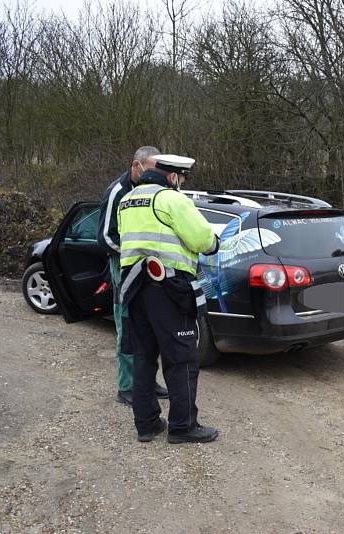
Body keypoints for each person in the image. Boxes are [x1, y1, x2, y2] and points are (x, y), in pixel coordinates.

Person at [117, 154, 220, 443]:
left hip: (135, 287)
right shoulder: (171, 200)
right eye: (182, 179)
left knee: (143, 356)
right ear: (173, 177)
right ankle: (183, 426)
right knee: (182, 359)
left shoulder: (128, 200)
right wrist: (214, 243)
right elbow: (202, 239)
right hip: (169, 287)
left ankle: (147, 423)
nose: (181, 183)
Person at [97, 146, 169, 405]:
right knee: (127, 326)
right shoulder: (117, 192)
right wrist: (134, 255)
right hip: (125, 267)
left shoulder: (156, 192)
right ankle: (126, 386)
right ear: (136, 166)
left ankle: (148, 379)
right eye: (151, 170)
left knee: (149, 326)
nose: (155, 176)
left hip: (150, 269)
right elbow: (105, 237)